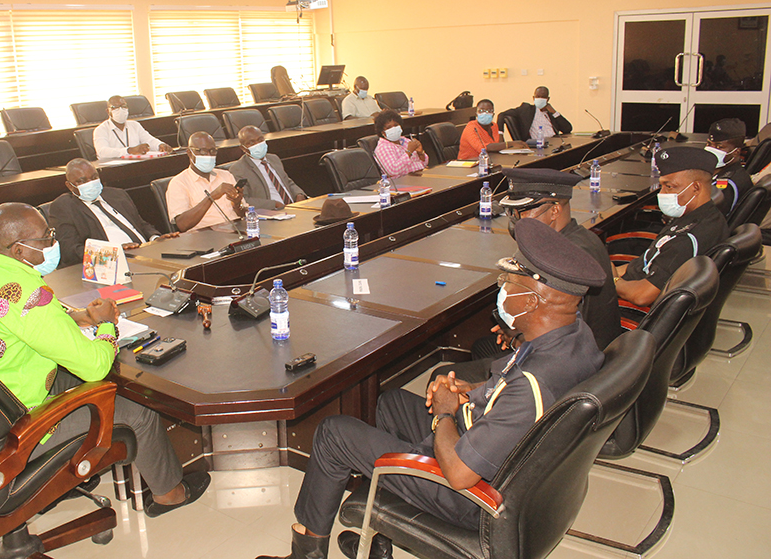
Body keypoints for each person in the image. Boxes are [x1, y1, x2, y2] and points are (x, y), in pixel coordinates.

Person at [256, 218, 606, 559]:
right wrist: (470, 390)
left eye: (509, 281)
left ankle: (305, 554)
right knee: (389, 404)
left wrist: (444, 413)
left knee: (334, 434)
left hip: (472, 493)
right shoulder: (574, 338)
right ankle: (384, 523)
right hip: (492, 447)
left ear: (531, 301)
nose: (502, 288)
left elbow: (459, 473)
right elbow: (509, 388)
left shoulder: (534, 384)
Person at [0, 202, 209, 517]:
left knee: (96, 376)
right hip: (23, 421)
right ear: (19, 250)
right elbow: (95, 366)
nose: (52, 243)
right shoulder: (28, 293)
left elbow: (16, 318)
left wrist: (77, 316)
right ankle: (170, 494)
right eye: (45, 238)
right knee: (137, 405)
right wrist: (105, 325)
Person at [437, 169, 619, 386]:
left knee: (443, 377)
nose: (516, 221)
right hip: (579, 349)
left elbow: (559, 338)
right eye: (512, 213)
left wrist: (520, 338)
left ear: (554, 210)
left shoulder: (559, 261)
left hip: (569, 368)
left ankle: (494, 401)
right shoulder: (579, 240)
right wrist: (516, 333)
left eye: (523, 212)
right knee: (481, 347)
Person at [616, 146, 730, 307]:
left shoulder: (687, 239)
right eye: (662, 186)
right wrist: (608, 269)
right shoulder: (701, 216)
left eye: (670, 186)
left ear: (696, 188)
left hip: (629, 308)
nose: (662, 193)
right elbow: (646, 263)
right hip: (632, 280)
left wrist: (612, 279)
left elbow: (641, 296)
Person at [49, 158, 177, 267]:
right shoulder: (63, 207)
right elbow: (70, 250)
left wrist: (155, 239)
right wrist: (113, 252)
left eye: (94, 177)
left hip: (147, 254)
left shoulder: (117, 194)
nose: (90, 183)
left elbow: (140, 224)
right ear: (70, 186)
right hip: (112, 264)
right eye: (82, 181)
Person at [166, 131, 244, 232]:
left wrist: (237, 204)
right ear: (190, 153)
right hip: (205, 237)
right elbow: (182, 225)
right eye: (202, 151)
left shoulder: (226, 175)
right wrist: (212, 197)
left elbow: (243, 215)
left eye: (212, 151)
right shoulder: (178, 183)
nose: (208, 155)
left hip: (236, 231)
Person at [229, 126, 307, 210]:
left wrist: (299, 194)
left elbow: (287, 181)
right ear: (243, 148)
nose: (258, 144)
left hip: (295, 207)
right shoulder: (238, 169)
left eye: (260, 140)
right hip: (272, 212)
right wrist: (274, 204)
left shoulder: (274, 158)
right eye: (251, 143)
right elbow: (244, 199)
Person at [92, 95, 173, 161]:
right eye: (115, 107)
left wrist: (160, 145)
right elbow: (102, 152)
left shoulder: (134, 125)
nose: (120, 110)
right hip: (114, 169)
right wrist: (129, 150)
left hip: (136, 164)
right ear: (108, 111)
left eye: (123, 106)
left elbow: (149, 139)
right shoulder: (101, 130)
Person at [706, 118, 753, 217]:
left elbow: (709, 217)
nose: (711, 150)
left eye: (719, 147)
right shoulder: (722, 171)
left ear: (736, 152)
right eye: (709, 144)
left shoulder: (728, 183)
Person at [456, 99, 528, 160]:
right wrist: (511, 144)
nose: (484, 113)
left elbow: (498, 146)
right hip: (469, 163)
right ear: (476, 114)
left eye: (488, 111)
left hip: (489, 160)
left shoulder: (494, 126)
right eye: (481, 111)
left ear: (493, 114)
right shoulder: (471, 127)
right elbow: (482, 148)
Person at [498, 86, 573, 143]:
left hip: (554, 142)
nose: (540, 98)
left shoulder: (550, 113)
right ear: (533, 98)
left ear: (548, 99)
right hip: (537, 144)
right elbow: (502, 115)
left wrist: (554, 112)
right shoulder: (526, 109)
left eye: (543, 97)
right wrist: (500, 134)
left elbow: (567, 129)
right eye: (538, 96)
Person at [372, 109, 429, 179]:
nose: (394, 129)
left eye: (396, 125)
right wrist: (409, 152)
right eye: (389, 127)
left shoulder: (405, 140)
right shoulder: (383, 148)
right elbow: (393, 171)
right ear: (383, 132)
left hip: (417, 178)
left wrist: (421, 153)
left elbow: (424, 163)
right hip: (400, 184)